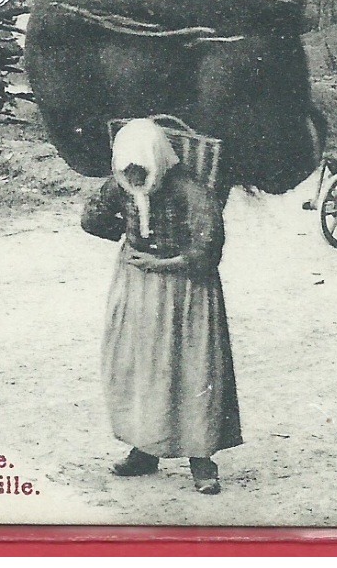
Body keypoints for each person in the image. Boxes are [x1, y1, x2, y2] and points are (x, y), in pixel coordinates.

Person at [81, 118, 241, 495]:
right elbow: (92, 218)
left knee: (189, 370)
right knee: (142, 369)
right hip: (138, 288)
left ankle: (201, 458)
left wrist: (165, 263)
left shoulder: (190, 189)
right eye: (127, 168)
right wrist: (123, 232)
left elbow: (207, 247)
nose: (134, 174)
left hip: (185, 291)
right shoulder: (123, 181)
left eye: (140, 167)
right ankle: (145, 447)